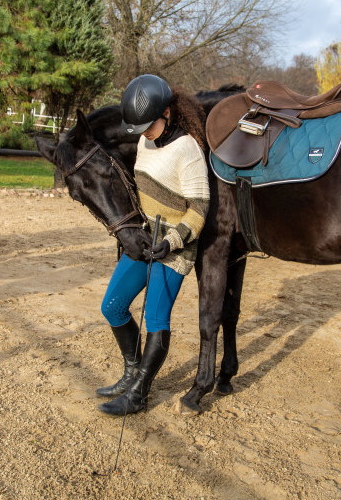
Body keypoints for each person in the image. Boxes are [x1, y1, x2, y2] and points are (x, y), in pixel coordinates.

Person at [97, 74, 210, 416]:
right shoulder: (146, 142)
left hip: (174, 248)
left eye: (149, 125)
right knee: (112, 307)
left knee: (156, 319)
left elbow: (200, 208)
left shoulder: (188, 149)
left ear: (168, 114)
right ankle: (131, 374)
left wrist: (174, 239)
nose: (143, 133)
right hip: (146, 240)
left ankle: (139, 395)